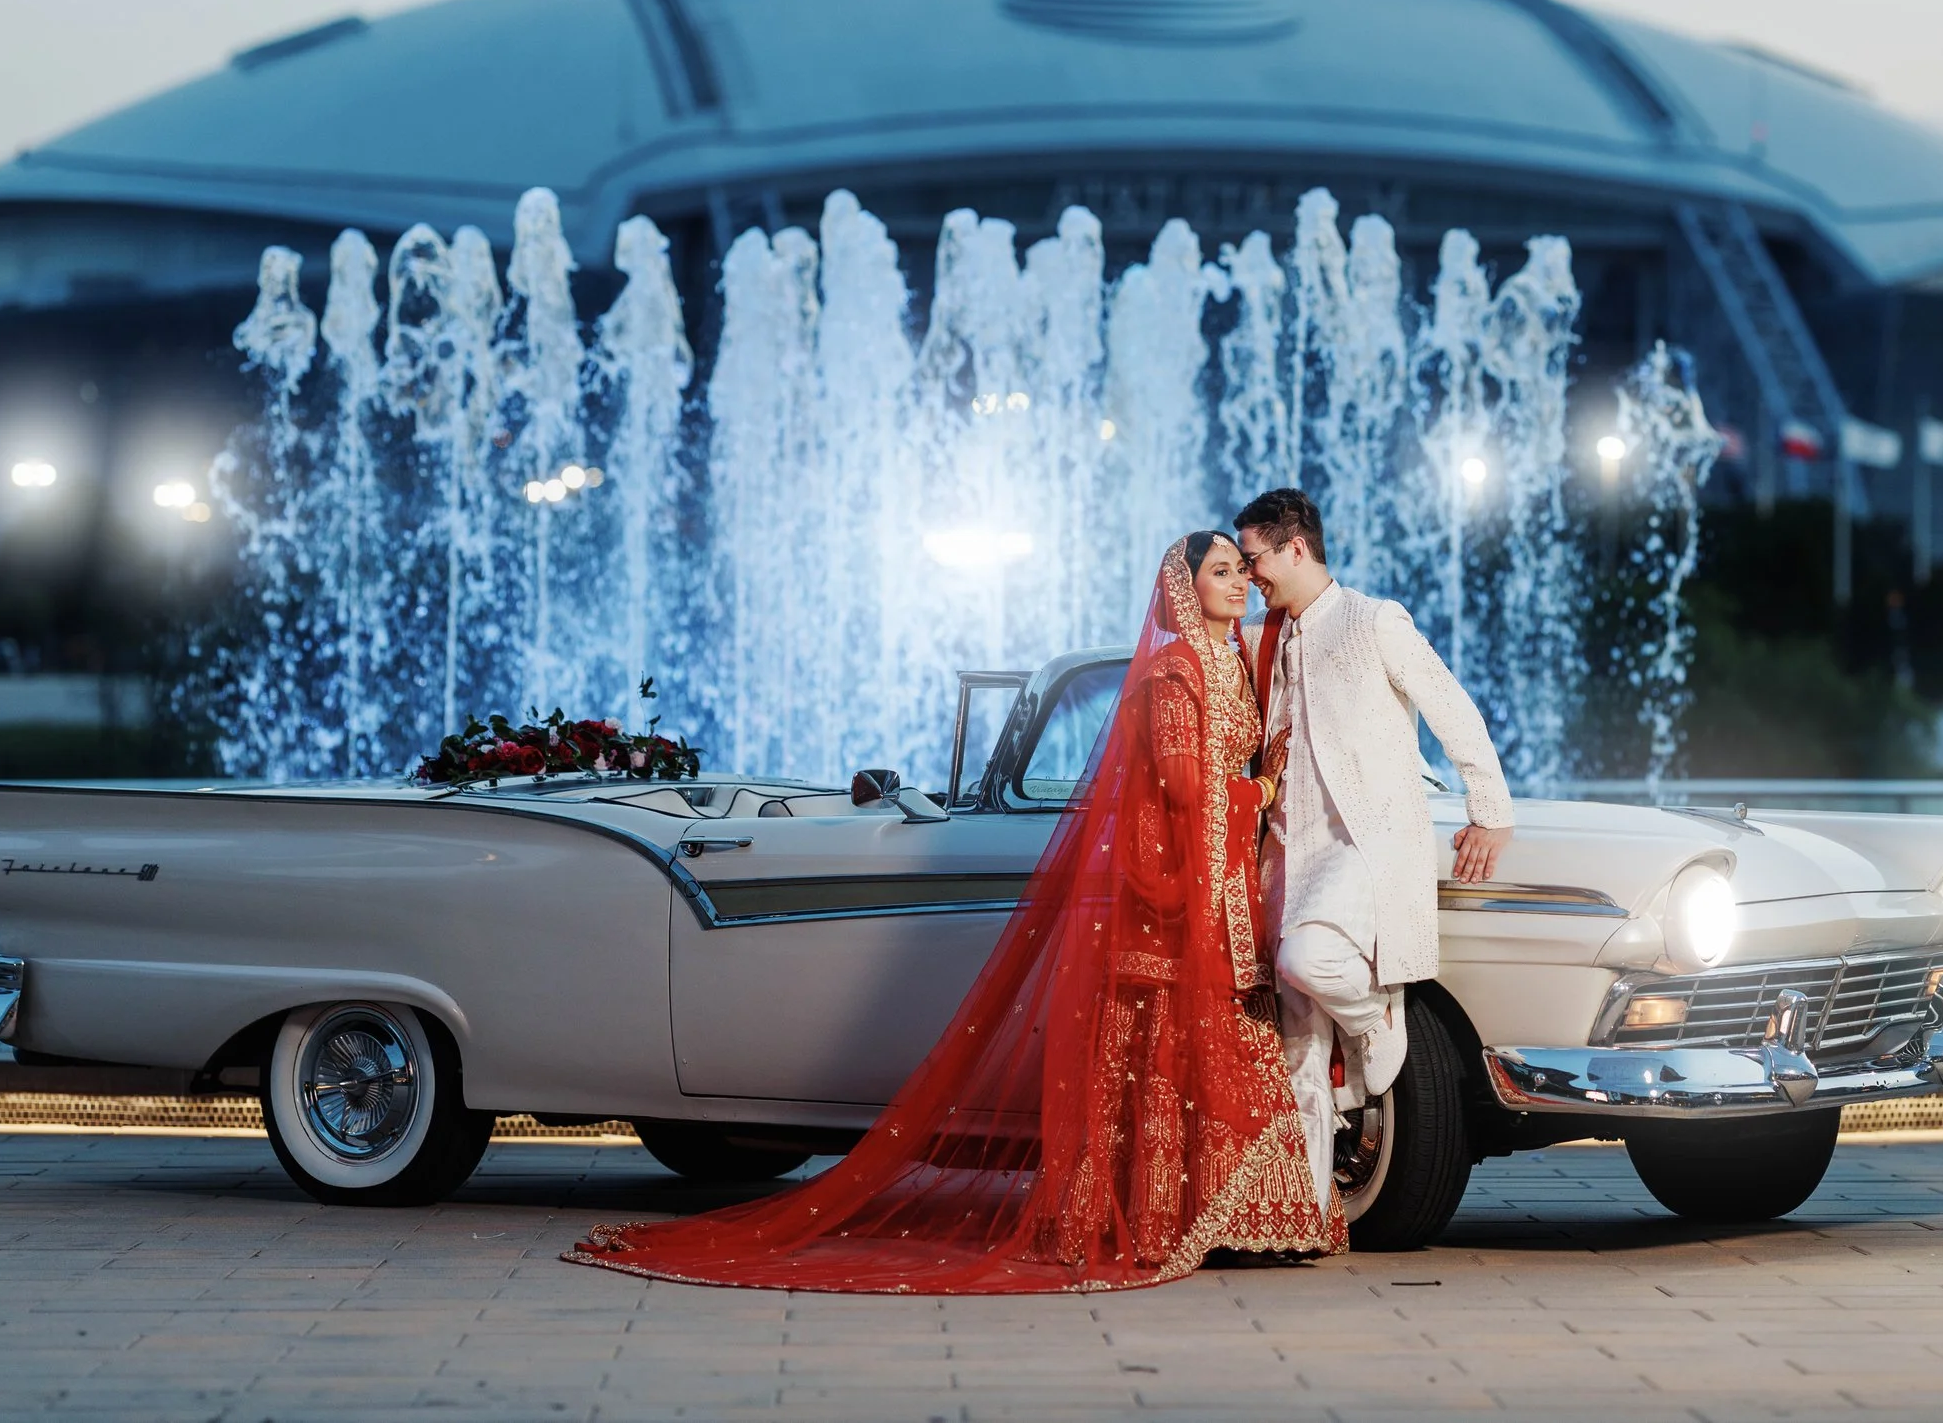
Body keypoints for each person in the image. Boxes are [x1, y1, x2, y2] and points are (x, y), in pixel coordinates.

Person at [567, 533, 1342, 1293]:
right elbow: (1179, 788)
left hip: (1224, 889)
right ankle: (1161, 1220)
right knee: (1170, 1052)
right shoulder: (1172, 671)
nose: (1237, 581)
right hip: (1169, 900)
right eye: (1219, 570)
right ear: (1184, 588)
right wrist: (1264, 794)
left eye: (1242, 569)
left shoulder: (1236, 662)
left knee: (1222, 1044)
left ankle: (1234, 1217)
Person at [1234, 487, 1514, 1215]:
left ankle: (1374, 1018)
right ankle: (1307, 1209)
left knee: (1308, 961)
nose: (1250, 571)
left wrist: (1490, 811)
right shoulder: (1270, 637)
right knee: (1295, 1039)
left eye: (1256, 557)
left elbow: (1452, 706)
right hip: (1288, 852)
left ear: (1296, 546)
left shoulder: (1372, 620)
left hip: (1363, 843)